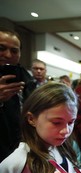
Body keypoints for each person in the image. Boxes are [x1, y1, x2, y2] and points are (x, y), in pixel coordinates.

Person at [0, 27, 32, 162]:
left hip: (22, 150)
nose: (8, 55)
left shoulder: (26, 78)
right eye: (1, 48)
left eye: (14, 51)